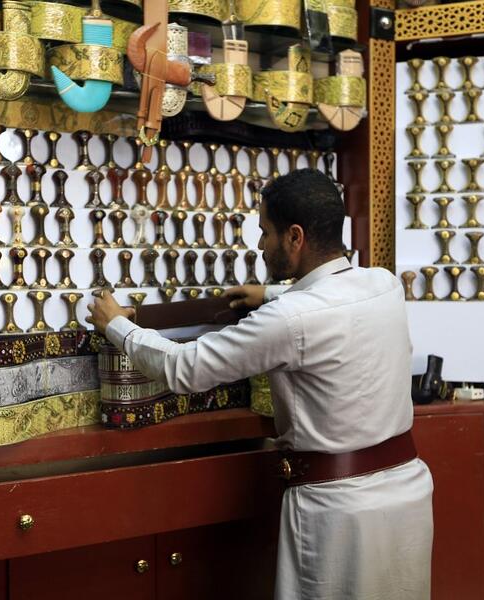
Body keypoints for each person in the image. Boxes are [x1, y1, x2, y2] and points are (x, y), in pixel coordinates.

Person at [87, 168, 434, 599]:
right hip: (407, 494)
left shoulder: (288, 319)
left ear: (295, 237)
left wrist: (119, 327)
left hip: (339, 513)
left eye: (265, 232)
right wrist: (270, 294)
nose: (260, 244)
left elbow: (185, 368)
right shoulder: (384, 284)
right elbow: (329, 308)